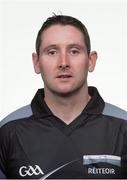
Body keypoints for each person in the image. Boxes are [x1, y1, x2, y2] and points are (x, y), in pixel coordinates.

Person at [0, 14, 127, 179]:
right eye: (52, 52)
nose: (63, 62)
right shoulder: (8, 131)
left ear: (91, 60)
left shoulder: (123, 127)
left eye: (74, 51)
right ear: (36, 62)